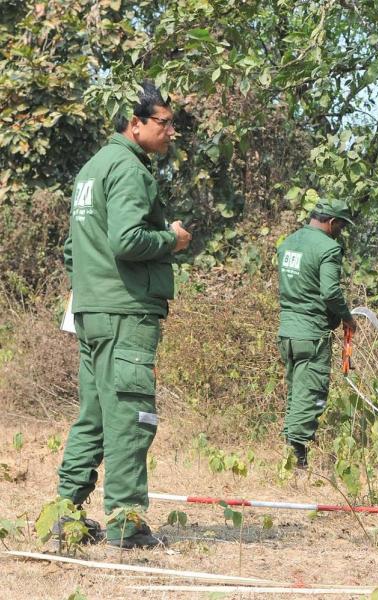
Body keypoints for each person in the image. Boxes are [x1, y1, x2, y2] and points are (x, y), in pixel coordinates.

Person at [57, 81, 191, 549]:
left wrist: (88, 293)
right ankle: (126, 525)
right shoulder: (131, 170)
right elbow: (127, 241)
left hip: (91, 309)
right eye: (164, 123)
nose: (172, 131)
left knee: (93, 415)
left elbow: (72, 249)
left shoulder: (91, 170)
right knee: (132, 416)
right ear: (135, 125)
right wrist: (171, 240)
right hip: (124, 311)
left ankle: (65, 515)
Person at [277, 199, 357, 467]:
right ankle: (297, 462)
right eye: (341, 226)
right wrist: (347, 318)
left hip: (287, 332)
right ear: (332, 222)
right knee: (309, 394)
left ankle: (289, 456)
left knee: (295, 394)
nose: (341, 232)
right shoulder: (328, 248)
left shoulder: (289, 242)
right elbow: (330, 292)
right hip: (312, 334)